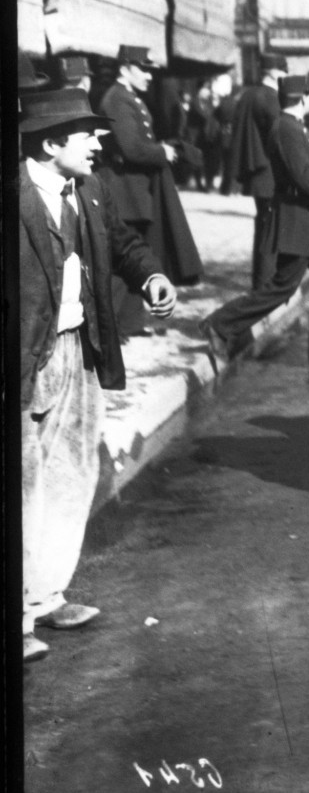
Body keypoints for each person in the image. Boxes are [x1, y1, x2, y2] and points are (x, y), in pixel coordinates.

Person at [18, 88, 178, 662]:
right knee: (24, 481)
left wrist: (152, 277)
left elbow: (123, 242)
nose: (99, 141)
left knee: (72, 470)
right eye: (87, 132)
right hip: (25, 358)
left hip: (78, 351)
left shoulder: (88, 188)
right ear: (52, 141)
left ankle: (46, 594)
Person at [201, 74, 309, 372]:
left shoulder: (293, 126)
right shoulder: (286, 128)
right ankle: (220, 324)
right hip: (296, 217)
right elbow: (305, 179)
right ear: (303, 98)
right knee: (283, 287)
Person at [95, 44, 201, 337]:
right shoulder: (117, 99)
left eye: (149, 70)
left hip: (136, 189)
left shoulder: (129, 98)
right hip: (123, 187)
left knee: (137, 255)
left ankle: (130, 323)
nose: (148, 76)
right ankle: (111, 328)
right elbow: (131, 149)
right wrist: (162, 152)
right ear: (125, 68)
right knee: (121, 262)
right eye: (142, 69)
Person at [228, 53, 287, 289]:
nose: (285, 75)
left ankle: (261, 281)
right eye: (282, 70)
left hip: (255, 170)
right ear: (273, 73)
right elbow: (280, 136)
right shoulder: (271, 97)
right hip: (270, 172)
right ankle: (264, 285)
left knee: (264, 226)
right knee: (270, 231)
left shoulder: (248, 95)